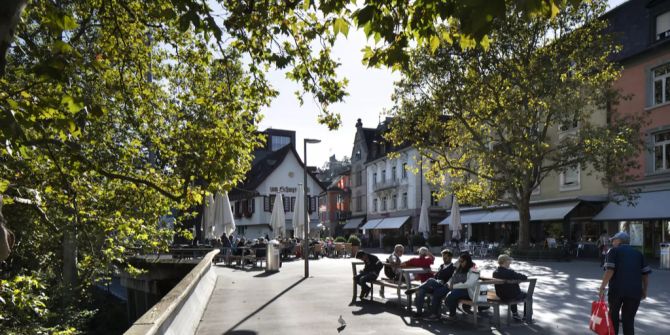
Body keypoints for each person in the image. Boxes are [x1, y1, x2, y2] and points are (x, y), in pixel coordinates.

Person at [599, 231, 651, 335]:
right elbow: (645, 274)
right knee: (629, 321)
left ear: (619, 241)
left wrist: (602, 287)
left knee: (613, 320)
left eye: (614, 239)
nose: (612, 242)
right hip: (634, 292)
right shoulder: (638, 253)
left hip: (616, 291)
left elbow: (610, 270)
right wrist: (644, 290)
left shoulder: (613, 251)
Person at [406, 249, 456, 320]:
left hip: (444, 286)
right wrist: (433, 274)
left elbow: (452, 280)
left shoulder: (453, 268)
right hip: (436, 284)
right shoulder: (441, 266)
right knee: (422, 290)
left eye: (446, 257)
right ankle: (419, 313)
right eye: (443, 257)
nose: (444, 259)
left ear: (450, 257)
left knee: (430, 281)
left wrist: (442, 282)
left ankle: (416, 288)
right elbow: (436, 276)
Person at [444, 253, 480, 320]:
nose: (460, 263)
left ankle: (452, 315)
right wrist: (449, 284)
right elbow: (452, 278)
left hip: (470, 292)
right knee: (449, 295)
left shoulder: (475, 269)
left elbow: (469, 284)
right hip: (458, 290)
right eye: (459, 261)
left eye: (462, 261)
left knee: (451, 295)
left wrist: (454, 286)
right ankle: (453, 313)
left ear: (467, 261)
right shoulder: (460, 268)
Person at [492, 254, 528, 321]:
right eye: (509, 260)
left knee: (510, 291)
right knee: (527, 295)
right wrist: (517, 281)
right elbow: (524, 277)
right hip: (511, 295)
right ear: (505, 262)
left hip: (501, 295)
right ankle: (527, 316)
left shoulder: (495, 272)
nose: (510, 262)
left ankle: (515, 314)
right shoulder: (509, 272)